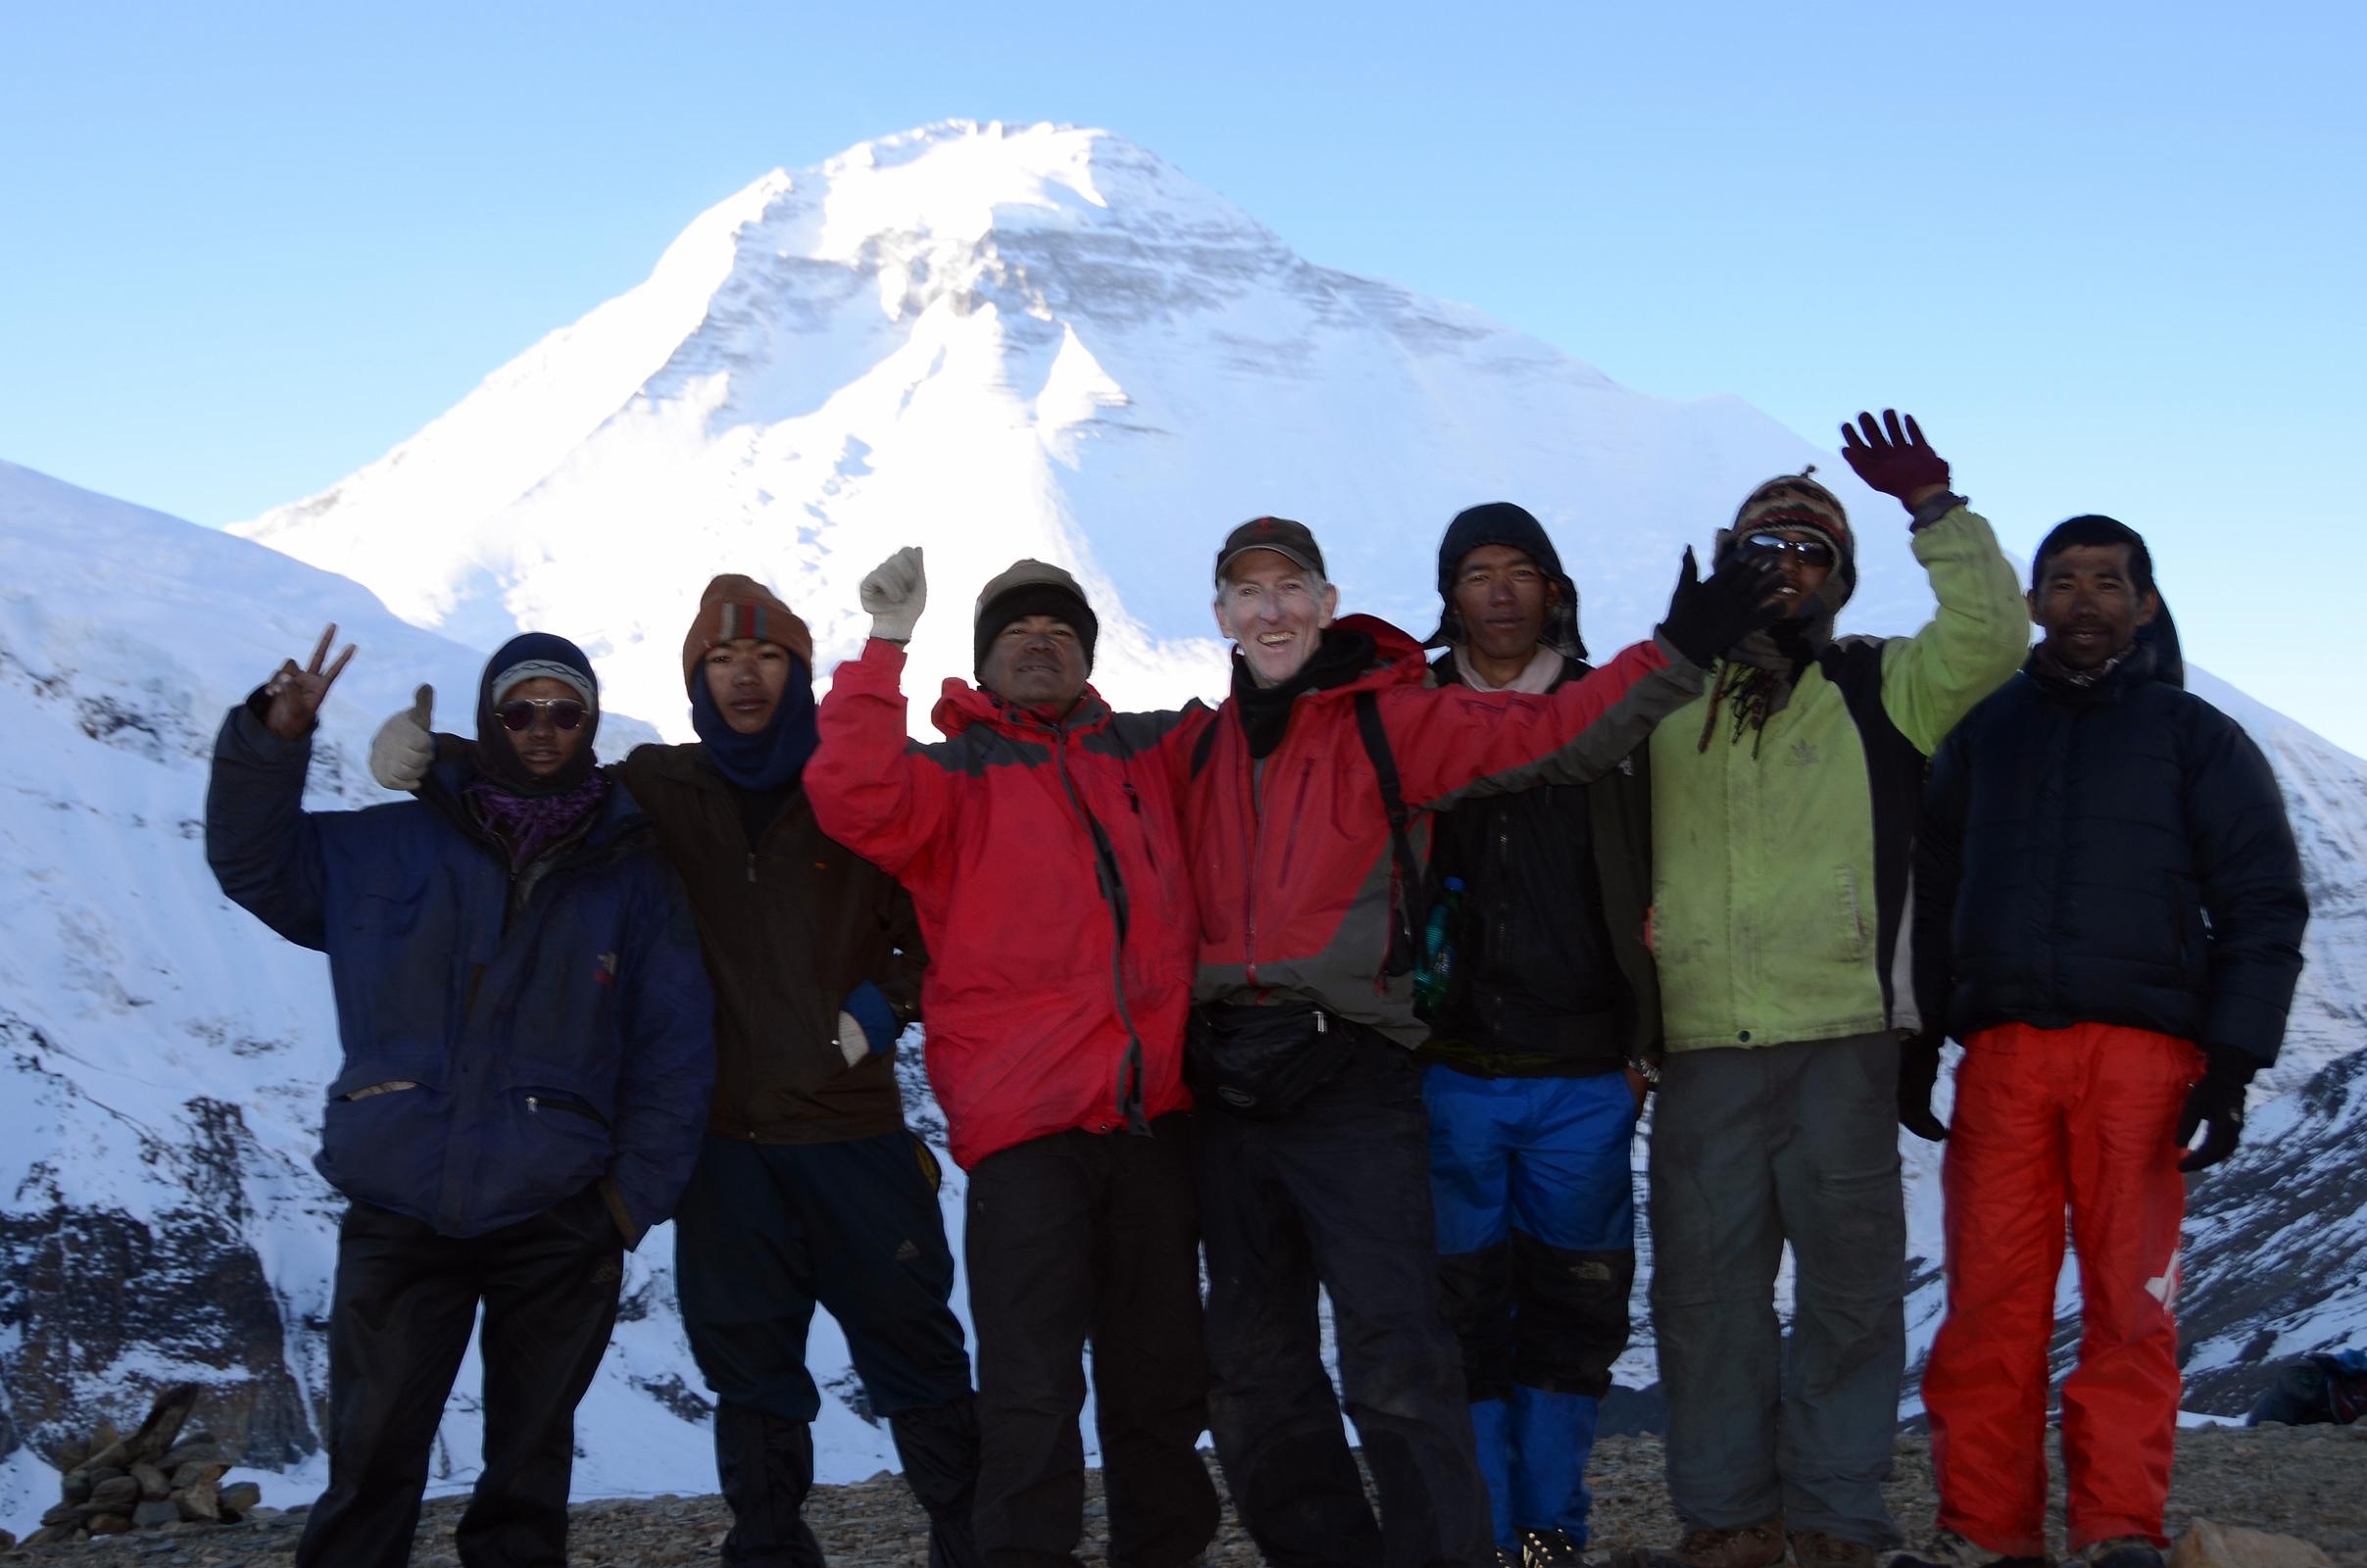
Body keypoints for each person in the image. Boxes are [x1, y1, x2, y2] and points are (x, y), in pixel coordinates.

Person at [1178, 516, 1776, 1568]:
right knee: (1254, 1363)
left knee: (1400, 1350)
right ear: (1221, 615)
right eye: (1247, 591)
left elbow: (1557, 729)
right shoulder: (1186, 746)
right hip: (1229, 1081)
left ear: (1324, 603)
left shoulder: (1390, 722)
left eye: (1290, 588)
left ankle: (1477, 1547)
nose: (1270, 609)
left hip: (1359, 1069)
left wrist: (1682, 646)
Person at [369, 576, 979, 1568]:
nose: (746, 674)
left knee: (915, 1354)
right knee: (750, 1372)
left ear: (799, 670)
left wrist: (885, 1002)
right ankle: (771, 1550)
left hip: (852, 1133)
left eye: (769, 656)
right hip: (725, 1147)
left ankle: (978, 1543)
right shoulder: (660, 786)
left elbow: (940, 904)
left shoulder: (858, 779)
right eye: (723, 660)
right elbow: (542, 786)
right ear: (697, 677)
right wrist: (436, 764)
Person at [207, 626, 715, 1568]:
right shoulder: (387, 845)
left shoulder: (631, 872)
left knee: (527, 1476)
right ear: (491, 717)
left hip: (561, 1214)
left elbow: (675, 1045)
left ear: (590, 723)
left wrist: (626, 1204)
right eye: (521, 709)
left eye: (565, 712)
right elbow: (254, 866)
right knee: (369, 1463)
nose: (542, 729)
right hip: (401, 1202)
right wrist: (271, 740)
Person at [1629, 413, 2030, 1568]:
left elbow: (1994, 637)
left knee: (1852, 1299)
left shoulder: (1882, 686)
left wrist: (1937, 513)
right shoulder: (1664, 697)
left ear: (1840, 579)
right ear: (1729, 560)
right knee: (1708, 1307)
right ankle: (1727, 1523)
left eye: (1808, 552)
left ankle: (1840, 1521)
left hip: (1846, 1035)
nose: (1786, 569)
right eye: (1764, 547)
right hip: (1702, 1044)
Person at [1900, 517, 2307, 1568]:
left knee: (2133, 1305)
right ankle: (1985, 1532)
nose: (2086, 600)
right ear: (2034, 603)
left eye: (2108, 582)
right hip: (2003, 1058)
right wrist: (1917, 1032)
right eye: (2065, 582)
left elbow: (2263, 901)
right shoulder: (1986, 735)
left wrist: (2231, 1062)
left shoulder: (2198, 737)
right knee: (1990, 1304)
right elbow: (1934, 893)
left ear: (2146, 603)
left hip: (2145, 1061)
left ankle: (2120, 1530)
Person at [805, 556, 1219, 1568]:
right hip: (1027, 1133)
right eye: (1016, 632)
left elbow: (1270, 725)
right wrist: (884, 648)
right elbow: (851, 792)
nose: (1041, 642)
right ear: (985, 662)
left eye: (1062, 631)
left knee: (1160, 1379)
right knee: (1032, 1391)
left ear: (1088, 653)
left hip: (1153, 1120)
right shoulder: (950, 776)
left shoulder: (1147, 752)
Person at [1416, 504, 1662, 1568]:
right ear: (1451, 594)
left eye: (1523, 571)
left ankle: (1551, 1527)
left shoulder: (1609, 710)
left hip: (1586, 1064)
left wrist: (1647, 1034)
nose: (1503, 591)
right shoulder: (1410, 709)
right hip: (1448, 1061)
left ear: (1555, 588)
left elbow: (1661, 869)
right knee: (1459, 1304)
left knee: (1573, 1305)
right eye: (1480, 573)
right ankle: (1481, 1528)